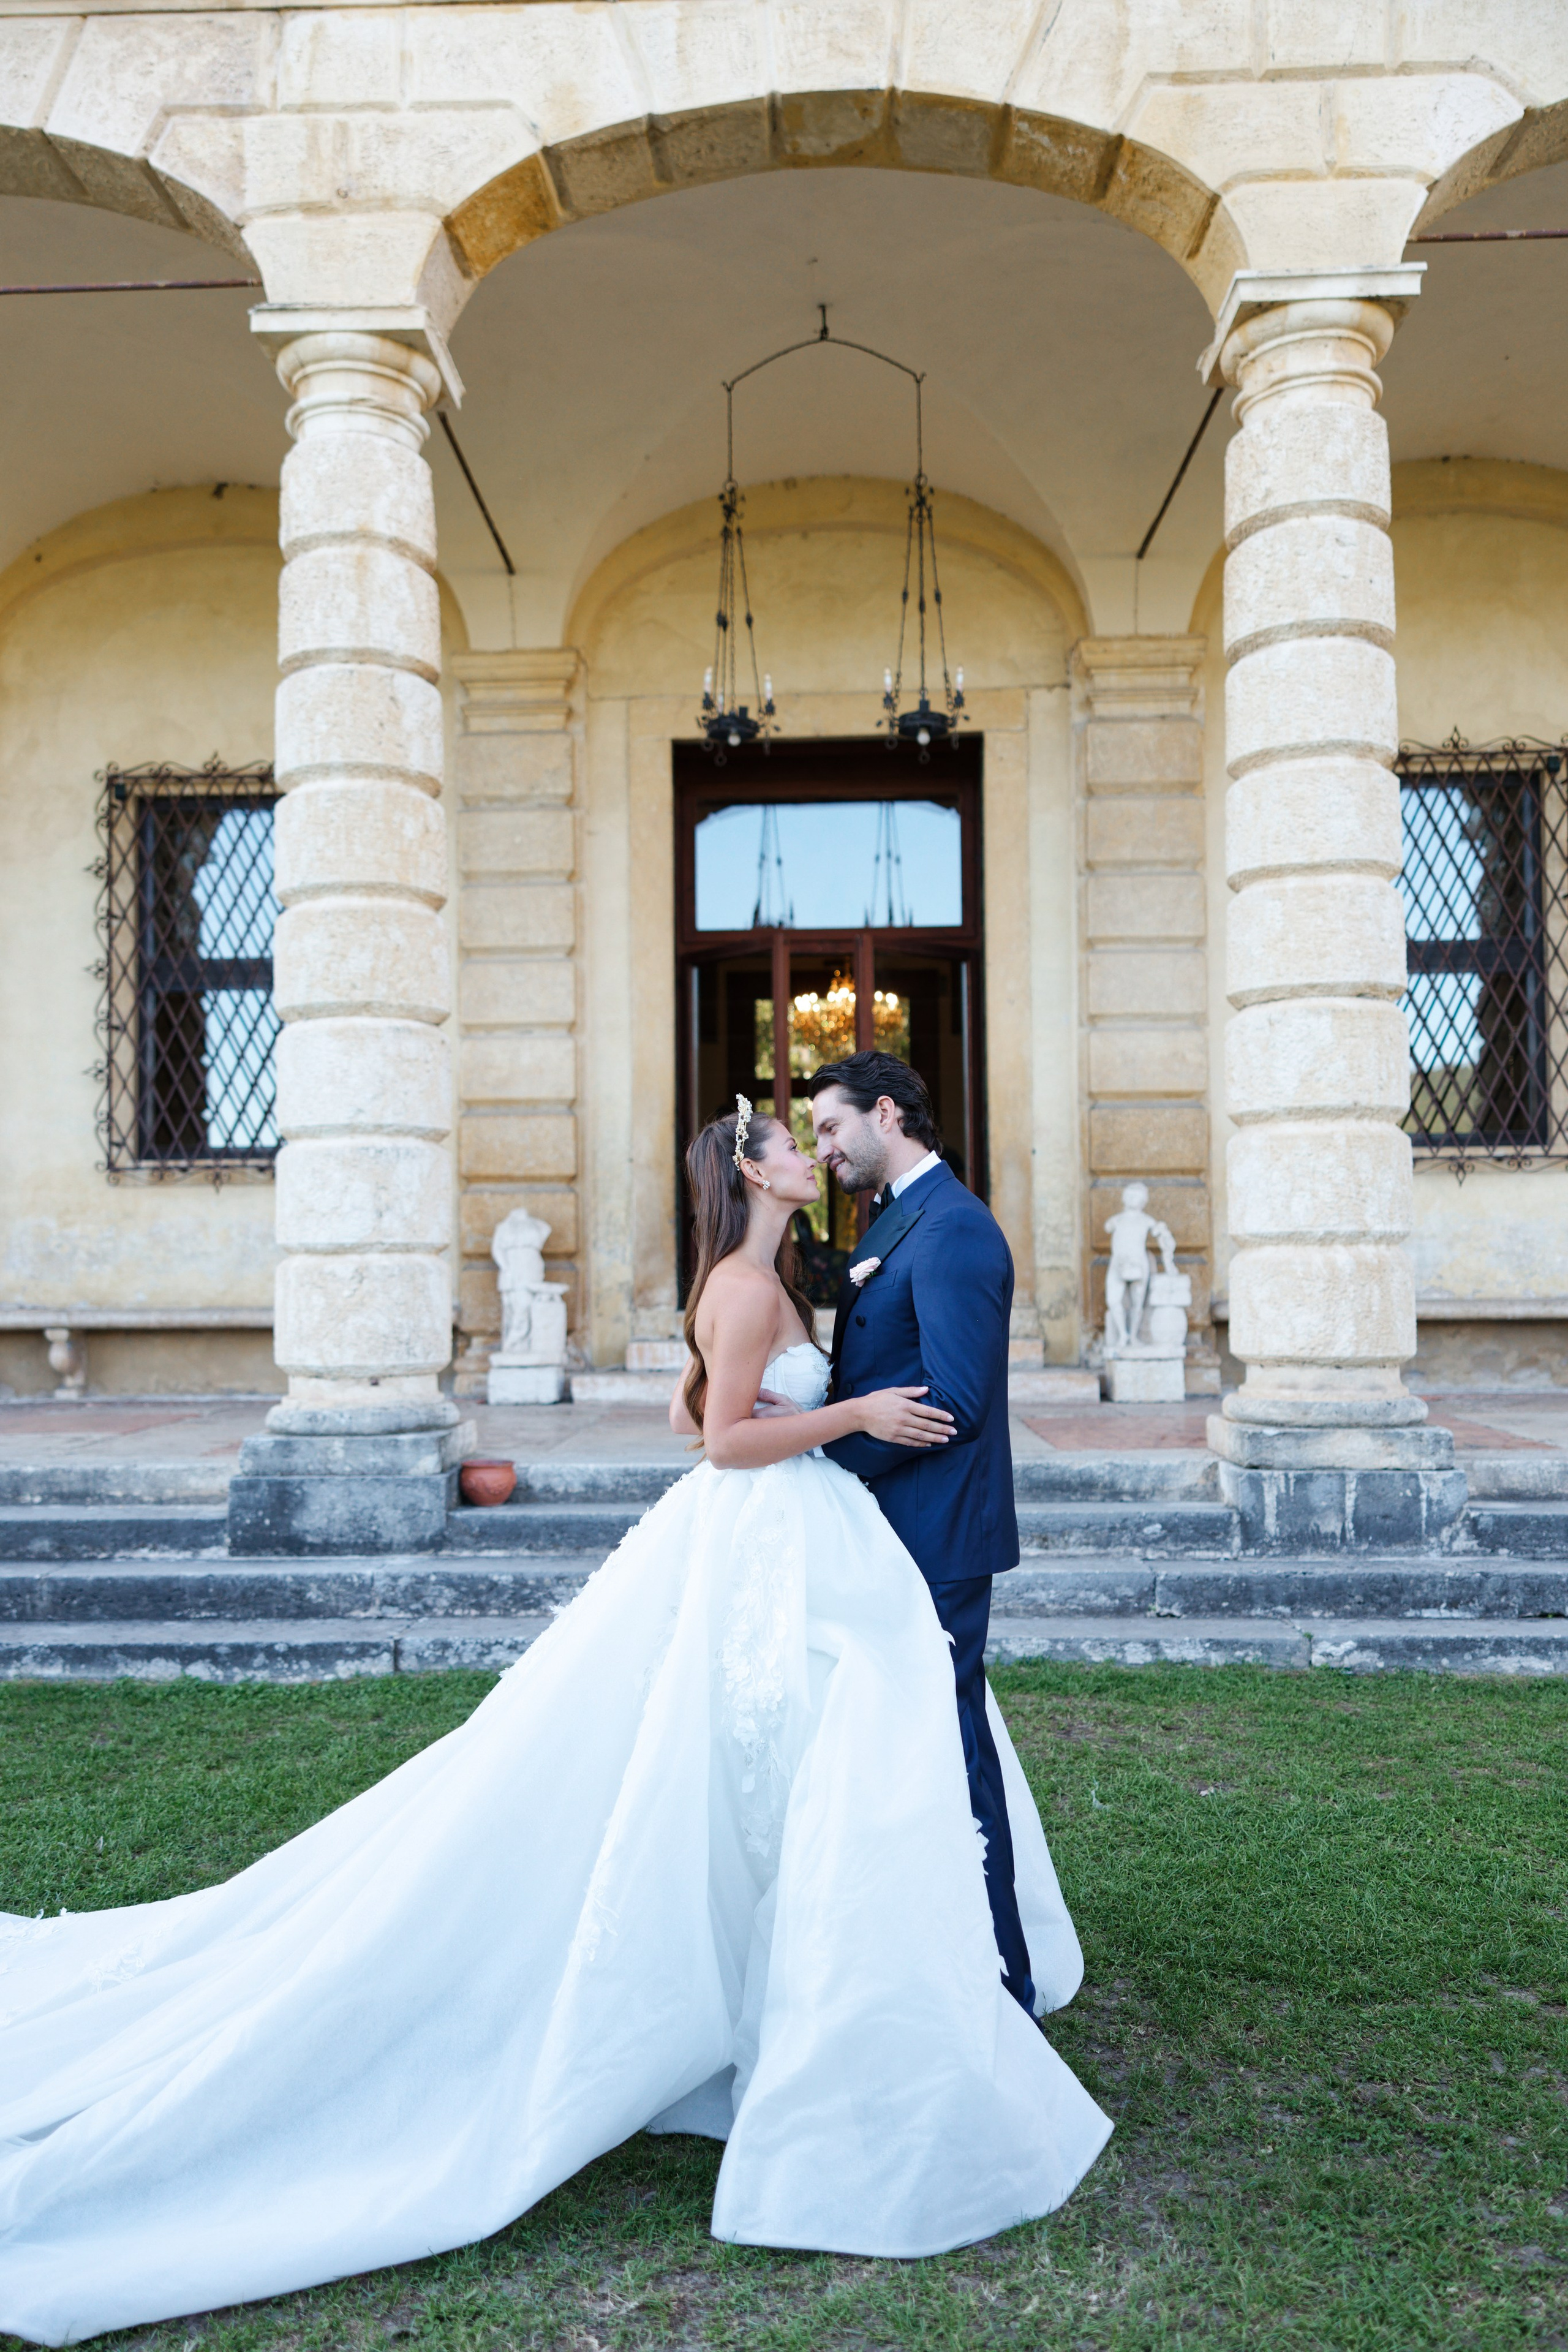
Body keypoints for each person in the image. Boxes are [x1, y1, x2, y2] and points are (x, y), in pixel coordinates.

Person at [0, 1098, 1108, 2349]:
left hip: (802, 1542)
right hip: (765, 1531)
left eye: (817, 1135)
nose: (812, 1151)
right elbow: (728, 1441)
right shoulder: (746, 1291)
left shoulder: (769, 1276)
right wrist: (848, 1418)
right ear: (750, 1170)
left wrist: (804, 1420)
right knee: (750, 1761)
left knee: (785, 1763)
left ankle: (790, 1980)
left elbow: (689, 1414)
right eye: (789, 1142)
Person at [806, 1051, 1035, 2015]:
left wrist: (822, 1458)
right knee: (901, 1747)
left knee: (952, 1748)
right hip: (893, 1529)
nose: (822, 1149)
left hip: (937, 1534)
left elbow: (958, 1399)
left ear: (887, 1113)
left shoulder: (955, 1231)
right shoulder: (897, 1218)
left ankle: (1000, 1976)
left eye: (829, 1128)